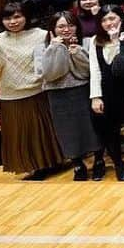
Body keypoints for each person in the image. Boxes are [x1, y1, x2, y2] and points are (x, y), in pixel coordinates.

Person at [0, 3, 62, 180]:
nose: (13, 21)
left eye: (17, 16)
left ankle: (50, 164)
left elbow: (49, 59)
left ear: (26, 16)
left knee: (44, 132)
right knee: (21, 136)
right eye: (8, 18)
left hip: (38, 91)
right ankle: (32, 167)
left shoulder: (40, 35)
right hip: (11, 95)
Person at [37, 11, 101, 180]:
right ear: (53, 29)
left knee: (92, 129)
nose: (66, 30)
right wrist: (55, 49)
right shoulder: (42, 48)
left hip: (83, 91)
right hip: (58, 95)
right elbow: (50, 75)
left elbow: (87, 72)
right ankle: (78, 164)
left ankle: (99, 161)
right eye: (61, 26)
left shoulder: (87, 42)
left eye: (70, 25)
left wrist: (77, 53)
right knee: (67, 132)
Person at [88, 6, 124, 181]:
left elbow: (123, 66)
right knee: (109, 131)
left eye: (112, 18)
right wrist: (95, 96)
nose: (109, 23)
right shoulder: (95, 41)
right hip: (107, 91)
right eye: (104, 20)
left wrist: (119, 42)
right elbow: (95, 69)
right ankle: (119, 165)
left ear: (121, 19)